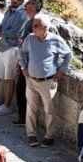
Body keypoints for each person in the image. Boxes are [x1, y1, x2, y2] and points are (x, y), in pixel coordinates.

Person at [18, 14, 73, 147]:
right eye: (33, 25)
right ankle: (31, 134)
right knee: (31, 108)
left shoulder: (56, 40)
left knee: (49, 109)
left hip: (48, 81)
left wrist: (62, 70)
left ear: (45, 27)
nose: (33, 28)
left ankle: (49, 136)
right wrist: (23, 67)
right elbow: (22, 53)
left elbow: (68, 54)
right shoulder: (30, 38)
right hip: (31, 79)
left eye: (36, 25)